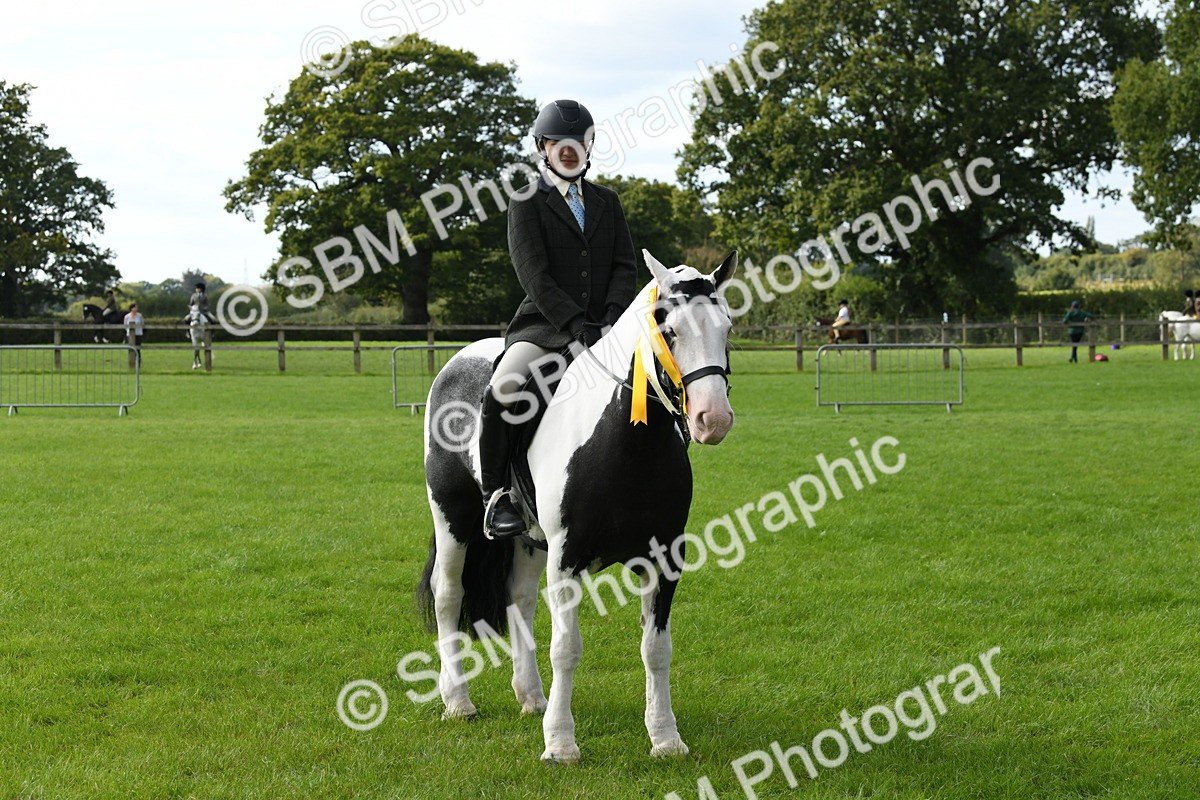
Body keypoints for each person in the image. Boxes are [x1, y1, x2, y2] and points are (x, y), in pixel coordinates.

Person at [478, 99, 637, 539]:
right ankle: (497, 497)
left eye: (577, 143)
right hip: (544, 326)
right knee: (504, 387)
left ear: (589, 148)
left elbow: (626, 265)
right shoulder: (526, 199)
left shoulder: (608, 201)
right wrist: (572, 324)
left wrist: (611, 317)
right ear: (542, 148)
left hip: (607, 330)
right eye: (558, 144)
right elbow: (533, 274)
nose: (569, 151)